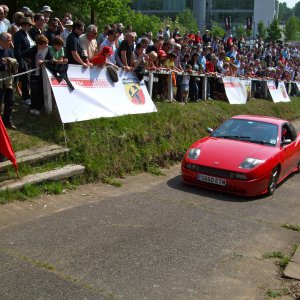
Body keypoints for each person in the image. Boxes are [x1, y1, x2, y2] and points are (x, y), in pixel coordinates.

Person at [22, 35, 52, 116]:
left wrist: (43, 61)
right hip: (34, 73)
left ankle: (38, 108)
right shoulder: (34, 49)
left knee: (41, 91)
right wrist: (29, 61)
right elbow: (23, 54)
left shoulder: (48, 49)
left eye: (47, 43)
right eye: (45, 44)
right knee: (34, 91)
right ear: (39, 44)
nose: (46, 45)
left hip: (44, 74)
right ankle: (32, 107)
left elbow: (51, 60)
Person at [13, 16, 35, 106]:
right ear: (25, 25)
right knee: (25, 79)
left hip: (29, 60)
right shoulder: (18, 35)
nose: (30, 27)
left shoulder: (27, 34)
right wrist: (21, 61)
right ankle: (25, 98)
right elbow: (17, 50)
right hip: (23, 60)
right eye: (29, 25)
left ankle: (27, 96)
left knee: (28, 78)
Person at [0, 32, 17, 129]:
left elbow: (15, 62)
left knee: (10, 101)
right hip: (0, 81)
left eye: (11, 40)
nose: (11, 42)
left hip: (9, 81)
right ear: (1, 41)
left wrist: (9, 62)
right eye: (9, 40)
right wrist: (3, 65)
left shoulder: (10, 50)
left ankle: (7, 120)